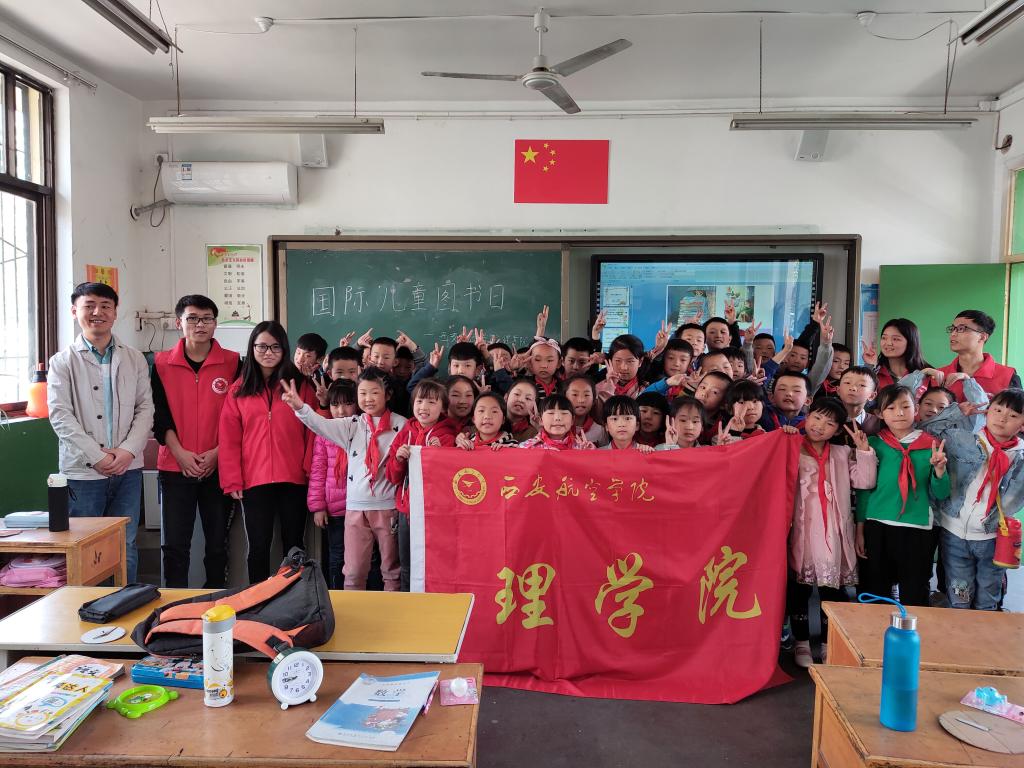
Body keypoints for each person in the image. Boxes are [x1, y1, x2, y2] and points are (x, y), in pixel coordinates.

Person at [47, 282, 153, 583]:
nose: (98, 312)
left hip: (128, 469)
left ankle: (127, 602)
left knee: (125, 543)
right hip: (83, 472)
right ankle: (88, 606)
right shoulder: (62, 362)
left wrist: (128, 451)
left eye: (106, 306)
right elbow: (60, 415)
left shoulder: (134, 358)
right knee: (84, 545)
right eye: (89, 305)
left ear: (115, 312)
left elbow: (145, 408)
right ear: (74, 311)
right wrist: (97, 456)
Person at [283, 367, 405, 591]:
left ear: (387, 395)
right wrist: (300, 407)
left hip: (388, 507)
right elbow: (320, 425)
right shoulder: (352, 425)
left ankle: (395, 609)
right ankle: (353, 610)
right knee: (353, 571)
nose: (368, 399)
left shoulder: (402, 425)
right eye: (363, 393)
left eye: (374, 392)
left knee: (391, 570)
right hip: (355, 507)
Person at [151, 294, 240, 588]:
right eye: (192, 319)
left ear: (215, 324)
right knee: (175, 546)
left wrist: (218, 453)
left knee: (217, 546)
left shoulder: (233, 362)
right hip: (175, 466)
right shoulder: (161, 363)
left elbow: (239, 416)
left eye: (206, 319)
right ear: (179, 323)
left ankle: (216, 601)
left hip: (219, 467)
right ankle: (173, 605)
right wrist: (179, 453)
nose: (200, 325)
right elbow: (158, 414)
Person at [218, 321, 315, 584]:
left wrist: (309, 470)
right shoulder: (238, 390)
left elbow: (313, 430)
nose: (268, 352)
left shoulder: (300, 386)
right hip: (254, 480)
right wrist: (232, 480)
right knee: (258, 546)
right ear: (252, 348)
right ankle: (257, 598)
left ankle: (295, 596)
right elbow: (229, 440)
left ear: (284, 349)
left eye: (275, 347)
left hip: (294, 478)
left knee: (294, 545)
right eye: (261, 346)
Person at [787, 398, 877, 668]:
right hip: (801, 529)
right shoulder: (791, 446)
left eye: (829, 423)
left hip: (833, 531)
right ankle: (802, 641)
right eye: (816, 418)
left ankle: (828, 642)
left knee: (833, 589)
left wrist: (863, 451)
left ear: (837, 430)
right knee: (800, 589)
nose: (819, 426)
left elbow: (864, 481)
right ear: (807, 416)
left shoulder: (841, 452)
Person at [921, 388, 1024, 610]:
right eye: (997, 410)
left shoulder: (1021, 457)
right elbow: (925, 430)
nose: (1003, 418)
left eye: (1014, 415)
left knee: (988, 598)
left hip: (994, 537)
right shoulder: (962, 440)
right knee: (959, 596)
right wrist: (957, 412)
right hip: (954, 533)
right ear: (987, 411)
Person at [855, 384, 950, 607]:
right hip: (877, 524)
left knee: (915, 591)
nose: (899, 413)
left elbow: (941, 493)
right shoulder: (873, 444)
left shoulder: (932, 445)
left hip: (917, 527)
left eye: (905, 406)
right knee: (876, 589)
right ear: (880, 413)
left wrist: (939, 471)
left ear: (915, 408)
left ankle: (913, 629)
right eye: (891, 408)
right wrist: (860, 529)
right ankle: (878, 629)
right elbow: (864, 490)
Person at [385, 379, 459, 591]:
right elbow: (392, 477)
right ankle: (408, 603)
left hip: (436, 512)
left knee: (435, 563)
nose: (424, 407)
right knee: (407, 564)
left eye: (431, 402)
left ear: (443, 408)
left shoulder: (448, 436)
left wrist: (441, 454)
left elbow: (450, 479)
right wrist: (399, 459)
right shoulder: (404, 433)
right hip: (407, 510)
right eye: (419, 401)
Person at [308, 379, 358, 590]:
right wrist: (318, 506)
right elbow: (318, 470)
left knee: (365, 557)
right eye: (335, 405)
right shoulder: (325, 432)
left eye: (347, 404)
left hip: (360, 509)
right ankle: (336, 595)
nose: (341, 410)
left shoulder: (363, 428)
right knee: (337, 556)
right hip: (335, 510)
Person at [938, 310, 1021, 400]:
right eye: (952, 329)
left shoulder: (1007, 376)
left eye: (961, 329)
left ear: (982, 337)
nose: (953, 334)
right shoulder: (939, 376)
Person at [861, 319, 929, 391]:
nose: (888, 343)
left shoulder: (927, 374)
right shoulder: (875, 372)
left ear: (911, 342)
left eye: (895, 339)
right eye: (884, 338)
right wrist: (870, 366)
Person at [517, 395, 596, 450]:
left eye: (564, 413)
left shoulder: (582, 448)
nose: (558, 418)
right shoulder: (527, 447)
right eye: (551, 413)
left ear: (572, 420)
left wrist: (589, 455)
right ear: (541, 420)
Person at [597, 334, 646, 401]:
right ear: (611, 360)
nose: (624, 368)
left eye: (630, 361)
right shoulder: (596, 390)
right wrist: (609, 387)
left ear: (640, 362)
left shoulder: (646, 391)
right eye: (618, 361)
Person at [561, 375, 607, 446]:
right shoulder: (556, 426)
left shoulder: (600, 430)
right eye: (575, 394)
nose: (581, 400)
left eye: (586, 395)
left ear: (594, 400)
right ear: (564, 398)